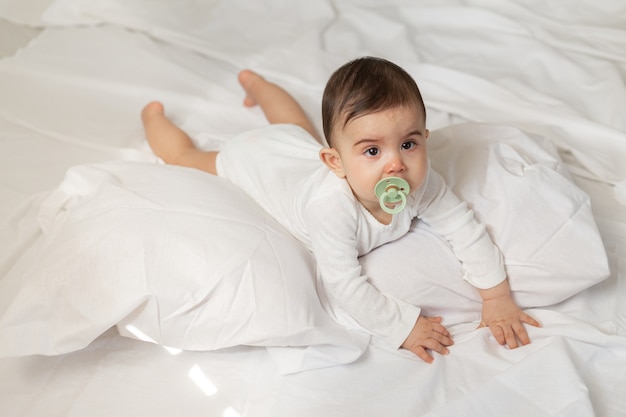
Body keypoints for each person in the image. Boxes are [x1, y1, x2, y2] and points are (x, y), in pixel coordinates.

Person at [141, 56, 540, 363]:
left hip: (294, 150)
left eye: (408, 143)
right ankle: (153, 118)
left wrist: (496, 296)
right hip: (258, 164)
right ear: (336, 163)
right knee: (187, 157)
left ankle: (256, 83)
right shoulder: (330, 208)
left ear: (425, 139)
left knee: (294, 128)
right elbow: (344, 284)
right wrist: (402, 326)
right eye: (372, 150)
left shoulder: (421, 180)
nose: (395, 164)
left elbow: (462, 226)